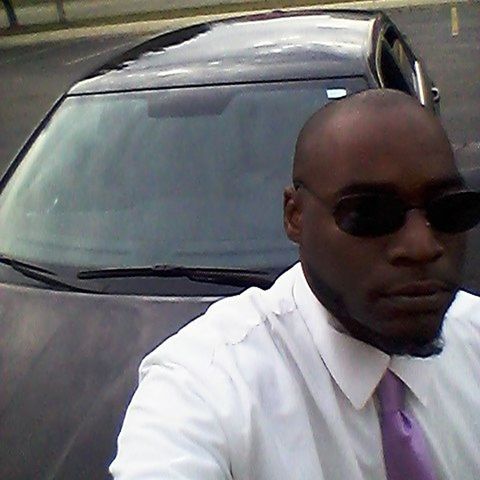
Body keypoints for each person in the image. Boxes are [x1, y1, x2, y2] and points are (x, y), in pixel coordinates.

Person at [110, 89, 480, 479]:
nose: (422, 246)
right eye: (369, 213)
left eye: (449, 209)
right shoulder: (206, 385)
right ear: (295, 216)